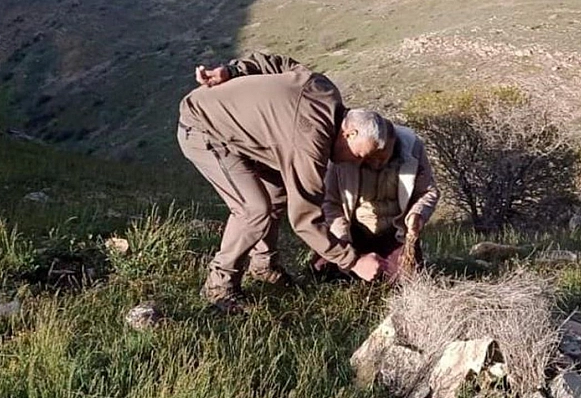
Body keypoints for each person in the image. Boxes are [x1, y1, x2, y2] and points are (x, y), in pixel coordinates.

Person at [177, 52, 393, 313]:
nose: (355, 163)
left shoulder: (324, 90)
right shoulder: (310, 142)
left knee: (277, 191)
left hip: (237, 133)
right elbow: (305, 219)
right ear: (350, 132)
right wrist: (354, 261)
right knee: (253, 211)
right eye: (358, 155)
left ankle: (263, 266)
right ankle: (219, 287)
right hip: (203, 128)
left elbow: (275, 64)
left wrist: (232, 71)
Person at [315, 114, 440, 283]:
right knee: (324, 272)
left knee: (406, 278)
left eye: (381, 155)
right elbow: (330, 203)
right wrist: (344, 245)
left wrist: (418, 214)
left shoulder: (413, 148)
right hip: (352, 228)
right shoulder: (341, 153)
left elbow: (427, 192)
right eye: (369, 157)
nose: (376, 163)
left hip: (394, 231)